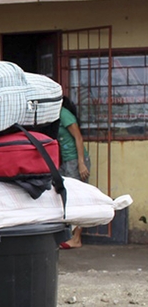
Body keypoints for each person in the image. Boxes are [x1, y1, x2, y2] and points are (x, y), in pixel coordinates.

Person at [58, 96, 91, 249]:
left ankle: (77, 238)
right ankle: (71, 236)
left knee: (78, 198)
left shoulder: (64, 114)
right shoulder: (55, 116)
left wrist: (81, 163)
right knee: (68, 198)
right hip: (66, 161)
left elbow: (78, 138)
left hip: (74, 160)